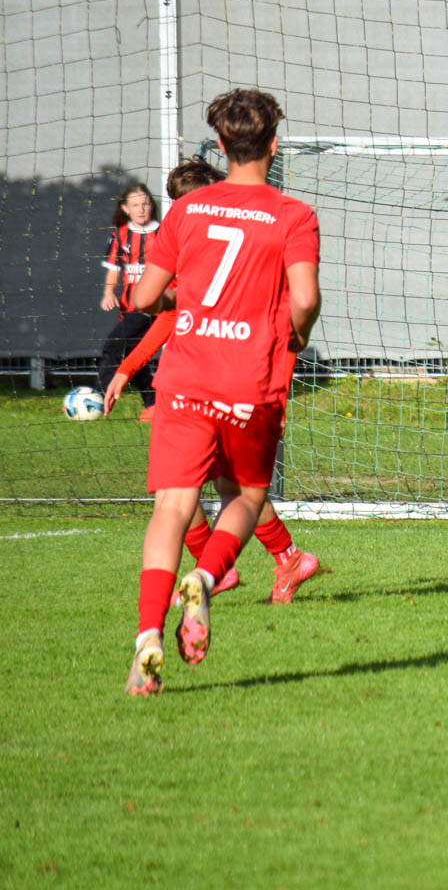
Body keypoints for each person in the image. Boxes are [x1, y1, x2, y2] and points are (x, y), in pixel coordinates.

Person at [124, 89, 321, 697]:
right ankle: (205, 580)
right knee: (247, 495)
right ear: (274, 145)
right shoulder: (294, 215)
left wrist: (183, 301)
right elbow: (305, 298)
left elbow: (144, 297)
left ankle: (146, 642)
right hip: (249, 381)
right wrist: (295, 333)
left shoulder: (187, 210)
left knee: (171, 508)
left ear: (219, 145)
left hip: (184, 378)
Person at [105, 159, 320, 608]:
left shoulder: (256, 239)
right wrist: (127, 368)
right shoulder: (205, 236)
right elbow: (172, 315)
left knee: (217, 489)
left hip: (238, 385)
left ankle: (228, 570)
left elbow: (285, 328)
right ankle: (272, 561)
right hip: (203, 380)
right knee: (218, 488)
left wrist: (277, 400)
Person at [97, 183, 161, 418]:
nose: (141, 209)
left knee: (113, 344)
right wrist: (108, 293)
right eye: (135, 205)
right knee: (136, 356)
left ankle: (97, 396)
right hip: (129, 307)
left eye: (145, 204)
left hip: (153, 307)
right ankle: (152, 405)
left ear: (151, 206)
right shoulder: (120, 235)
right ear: (125, 208)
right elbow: (114, 269)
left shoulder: (163, 233)